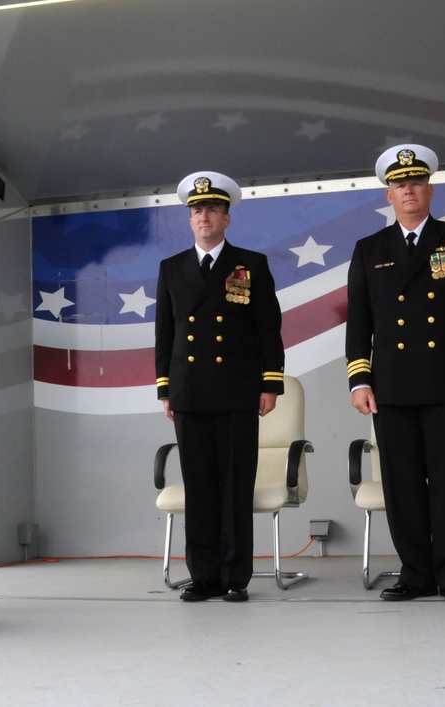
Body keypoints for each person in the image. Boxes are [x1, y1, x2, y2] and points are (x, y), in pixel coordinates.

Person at [346, 145, 445, 602]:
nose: (408, 190)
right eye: (399, 185)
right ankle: (415, 573)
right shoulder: (370, 249)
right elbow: (360, 322)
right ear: (388, 196)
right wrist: (360, 379)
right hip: (391, 387)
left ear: (430, 190)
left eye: (415, 183)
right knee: (402, 484)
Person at [154, 171, 285, 602]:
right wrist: (165, 388)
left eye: (211, 208)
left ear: (227, 218)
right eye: (196, 210)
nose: (203, 216)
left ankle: (233, 577)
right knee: (200, 486)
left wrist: (271, 383)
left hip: (236, 391)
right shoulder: (171, 268)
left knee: (234, 486)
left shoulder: (251, 264)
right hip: (190, 392)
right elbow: (165, 334)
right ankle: (203, 575)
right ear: (189, 220)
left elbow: (269, 328)